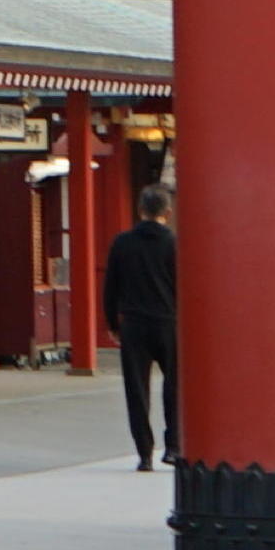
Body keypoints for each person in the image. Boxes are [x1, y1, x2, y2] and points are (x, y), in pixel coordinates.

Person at [103, 198, 182, 472]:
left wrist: (113, 323)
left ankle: (144, 453)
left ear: (140, 211)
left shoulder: (122, 243)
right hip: (169, 323)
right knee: (175, 386)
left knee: (137, 389)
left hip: (134, 324)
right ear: (167, 212)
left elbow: (111, 285)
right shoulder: (174, 243)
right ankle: (173, 446)